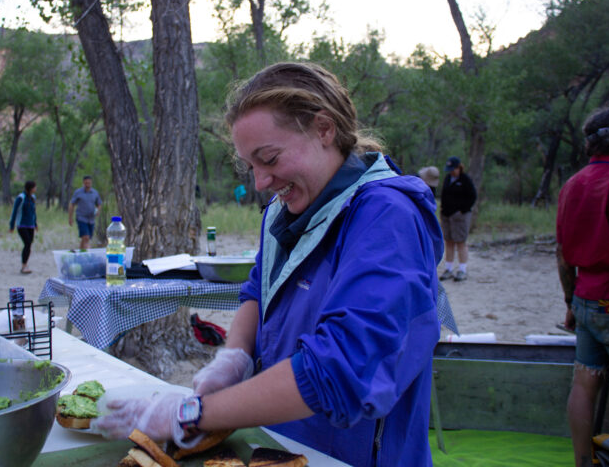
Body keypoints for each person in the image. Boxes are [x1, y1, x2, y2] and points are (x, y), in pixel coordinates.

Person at [93, 62, 444, 466]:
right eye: (250, 166)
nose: (260, 182)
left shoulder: (388, 218)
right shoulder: (284, 211)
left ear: (324, 129)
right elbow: (258, 287)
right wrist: (235, 355)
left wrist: (190, 413)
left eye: (270, 158)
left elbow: (340, 371)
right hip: (283, 447)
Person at [556, 105, 609, 467]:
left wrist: (571, 301)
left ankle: (583, 462)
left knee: (585, 383)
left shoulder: (573, 184)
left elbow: (562, 253)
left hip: (585, 298)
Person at [438, 156, 477, 282]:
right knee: (448, 241)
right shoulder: (448, 178)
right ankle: (448, 268)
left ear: (459, 167)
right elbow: (443, 195)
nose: (451, 172)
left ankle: (462, 270)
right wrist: (443, 211)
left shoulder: (465, 180)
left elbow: (472, 196)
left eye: (453, 169)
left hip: (459, 217)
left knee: (460, 242)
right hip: (447, 216)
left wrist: (462, 211)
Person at [9, 181, 38, 274]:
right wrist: (12, 225)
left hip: (30, 225)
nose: (35, 189)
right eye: (34, 187)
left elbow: (34, 212)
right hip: (22, 225)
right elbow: (14, 211)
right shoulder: (21, 198)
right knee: (27, 243)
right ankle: (23, 266)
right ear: (30, 188)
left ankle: (25, 264)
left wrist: (35, 223)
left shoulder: (33, 198)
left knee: (29, 244)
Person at [68, 175, 102, 250]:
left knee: (86, 238)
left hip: (91, 219)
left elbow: (99, 204)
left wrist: (97, 211)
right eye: (86, 183)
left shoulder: (95, 193)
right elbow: (72, 204)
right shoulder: (78, 192)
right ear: (83, 183)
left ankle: (80, 253)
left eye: (89, 183)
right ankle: (88, 253)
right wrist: (70, 218)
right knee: (86, 237)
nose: (87, 184)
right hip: (81, 218)